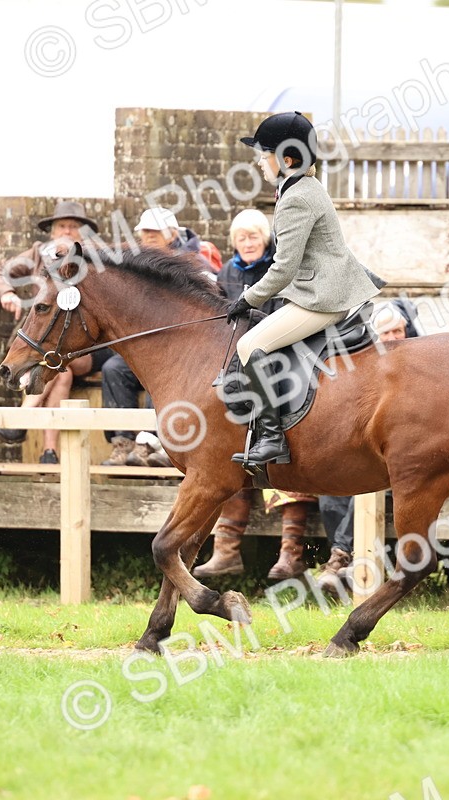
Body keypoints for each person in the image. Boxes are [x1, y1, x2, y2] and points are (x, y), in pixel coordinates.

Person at [225, 111, 385, 467]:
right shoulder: (301, 188)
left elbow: (283, 269)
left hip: (323, 298)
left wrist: (247, 297)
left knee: (250, 344)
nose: (259, 161)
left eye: (263, 154)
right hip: (319, 289)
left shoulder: (296, 198)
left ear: (287, 159)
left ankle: (271, 438)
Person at [194, 208, 317, 578]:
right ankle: (226, 549)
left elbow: (284, 313)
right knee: (229, 452)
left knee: (286, 455)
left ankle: (291, 554)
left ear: (264, 239)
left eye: (253, 237)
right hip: (239, 357)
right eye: (241, 237)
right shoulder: (228, 272)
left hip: (278, 352)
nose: (247, 243)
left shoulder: (278, 265)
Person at [0, 200, 105, 464]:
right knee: (60, 372)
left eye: (74, 227)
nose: (67, 231)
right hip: (42, 342)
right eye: (62, 225)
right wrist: (7, 293)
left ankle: (20, 420)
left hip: (80, 344)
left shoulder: (93, 256)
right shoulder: (39, 253)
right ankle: (49, 452)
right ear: (52, 230)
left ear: (83, 232)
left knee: (59, 363)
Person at [313, 301, 418, 598]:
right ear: (375, 335)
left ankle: (339, 560)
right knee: (331, 489)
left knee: (374, 488)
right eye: (387, 333)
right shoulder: (362, 363)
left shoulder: (418, 362)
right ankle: (342, 561)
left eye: (398, 330)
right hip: (363, 452)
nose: (394, 337)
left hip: (403, 461)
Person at [100, 206, 207, 467]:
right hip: (146, 344)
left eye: (154, 233)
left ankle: (154, 444)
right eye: (144, 233)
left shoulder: (193, 262)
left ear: (171, 234)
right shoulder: (137, 265)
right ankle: (122, 443)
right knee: (113, 368)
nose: (147, 237)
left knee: (157, 369)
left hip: (183, 347)